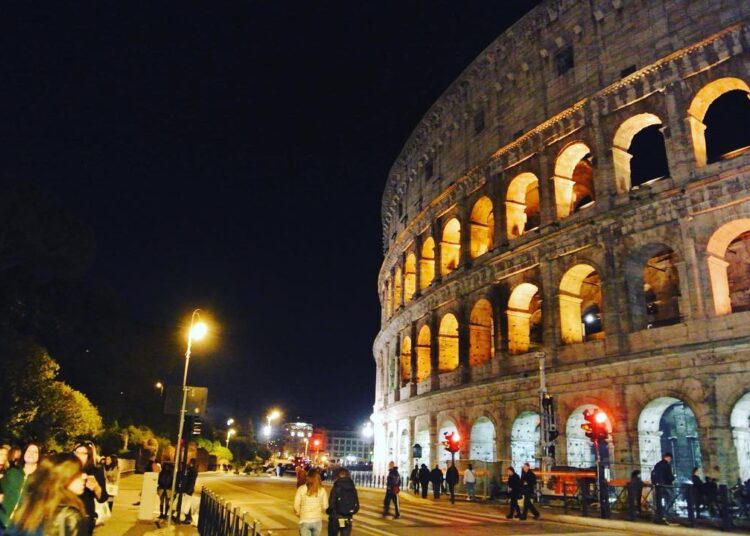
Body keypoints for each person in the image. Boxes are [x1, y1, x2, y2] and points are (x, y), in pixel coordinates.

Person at [5, 453, 88, 536]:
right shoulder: (70, 516)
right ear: (63, 478)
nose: (84, 476)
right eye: (78, 473)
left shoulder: (30, 508)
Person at [0, 442, 41, 530]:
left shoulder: (41, 478)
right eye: (29, 451)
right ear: (24, 453)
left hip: (21, 527)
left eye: (35, 452)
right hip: (2, 521)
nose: (31, 454)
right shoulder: (12, 472)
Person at [72, 442, 108, 534]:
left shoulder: (95, 471)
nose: (79, 455)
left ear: (89, 456)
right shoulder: (68, 469)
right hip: (68, 513)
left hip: (86, 516)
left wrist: (96, 488)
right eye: (77, 452)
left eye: (83, 453)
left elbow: (103, 498)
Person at [293, 469, 328, 536]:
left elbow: (296, 505)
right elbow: (325, 506)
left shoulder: (302, 489)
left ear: (307, 478)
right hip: (317, 520)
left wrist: (299, 513)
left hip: (305, 520)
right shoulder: (322, 490)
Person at [326, 468, 359, 536]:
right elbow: (357, 505)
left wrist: (328, 511)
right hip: (348, 517)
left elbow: (332, 503)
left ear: (338, 476)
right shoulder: (352, 487)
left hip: (336, 517)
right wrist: (350, 512)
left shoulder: (336, 487)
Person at [651, 452, 675, 518]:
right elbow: (669, 476)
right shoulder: (667, 465)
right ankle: (669, 512)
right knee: (671, 498)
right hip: (667, 485)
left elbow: (653, 474)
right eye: (670, 459)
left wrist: (654, 483)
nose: (670, 460)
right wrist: (673, 478)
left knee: (658, 499)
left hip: (658, 486)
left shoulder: (657, 465)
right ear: (668, 458)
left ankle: (659, 512)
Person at [178, 459, 198, 525]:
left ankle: (188, 518)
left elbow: (189, 480)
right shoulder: (192, 470)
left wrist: (187, 489)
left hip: (188, 489)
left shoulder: (192, 471)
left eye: (189, 462)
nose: (188, 463)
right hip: (189, 489)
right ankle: (188, 517)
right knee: (187, 503)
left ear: (191, 463)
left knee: (187, 503)